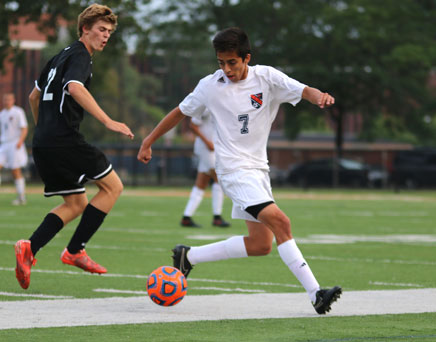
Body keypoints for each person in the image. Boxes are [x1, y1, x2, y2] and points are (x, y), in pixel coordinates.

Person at [138, 27, 341, 314]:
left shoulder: (267, 77)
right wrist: (148, 140)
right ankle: (316, 293)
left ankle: (188, 257)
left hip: (258, 170)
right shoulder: (209, 86)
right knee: (281, 222)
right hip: (233, 171)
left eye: (232, 62)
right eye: (221, 62)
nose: (226, 69)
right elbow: (180, 111)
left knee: (261, 245)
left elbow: (302, 89)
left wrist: (319, 96)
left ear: (247, 58)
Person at [14, 4, 134, 290]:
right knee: (113, 187)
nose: (105, 36)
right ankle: (75, 250)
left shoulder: (59, 56)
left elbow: (33, 96)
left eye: (109, 32)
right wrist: (108, 121)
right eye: (101, 30)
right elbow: (75, 88)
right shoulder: (81, 55)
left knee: (76, 203)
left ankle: (29, 247)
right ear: (85, 29)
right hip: (64, 139)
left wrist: (43, 129)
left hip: (44, 142)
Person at [181, 109, 230, 228]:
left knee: (201, 184)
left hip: (213, 148)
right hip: (206, 149)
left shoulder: (220, 102)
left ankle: (186, 217)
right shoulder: (205, 103)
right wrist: (207, 142)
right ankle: (217, 217)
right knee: (219, 178)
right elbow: (193, 125)